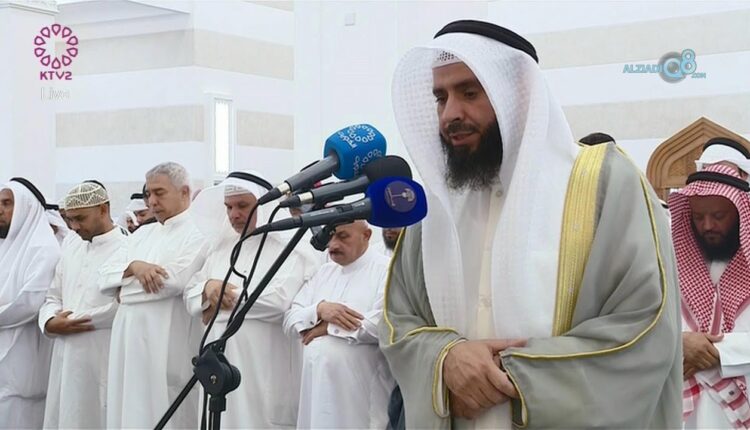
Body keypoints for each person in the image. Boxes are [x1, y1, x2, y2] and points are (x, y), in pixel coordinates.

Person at [380, 20, 682, 428]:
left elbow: (644, 325)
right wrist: (445, 359)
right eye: (441, 97)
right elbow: (398, 320)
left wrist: (515, 378)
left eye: (470, 93)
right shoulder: (433, 208)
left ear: (518, 93)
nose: (450, 114)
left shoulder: (603, 182)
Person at [186, 171, 310, 428]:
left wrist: (216, 301)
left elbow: (276, 301)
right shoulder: (222, 247)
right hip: (217, 360)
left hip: (260, 361)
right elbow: (190, 294)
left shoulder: (289, 247)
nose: (234, 214)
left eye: (242, 206)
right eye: (229, 207)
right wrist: (208, 287)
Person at [100, 162, 208, 429]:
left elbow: (172, 281)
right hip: (128, 340)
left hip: (167, 340)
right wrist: (135, 267)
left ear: (184, 192)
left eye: (159, 193)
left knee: (166, 409)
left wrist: (123, 287)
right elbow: (102, 277)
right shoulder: (143, 233)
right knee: (129, 407)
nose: (152, 201)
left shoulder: (200, 231)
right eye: (148, 194)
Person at [284, 221, 394, 429]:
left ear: (366, 235)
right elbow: (290, 320)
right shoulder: (324, 273)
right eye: (330, 236)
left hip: (359, 401)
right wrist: (319, 310)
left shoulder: (387, 270)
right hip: (315, 396)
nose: (333, 244)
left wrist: (329, 328)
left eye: (343, 236)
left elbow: (384, 324)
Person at [38, 181, 125, 429]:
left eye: (80, 219)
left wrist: (73, 321)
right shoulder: (71, 244)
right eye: (70, 219)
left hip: (101, 351)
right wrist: (49, 321)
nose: (74, 226)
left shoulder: (127, 246)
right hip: (64, 353)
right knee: (65, 414)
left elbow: (121, 306)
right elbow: (53, 295)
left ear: (103, 209)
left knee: (98, 415)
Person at [669, 164, 750, 428]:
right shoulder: (673, 266)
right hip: (685, 413)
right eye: (697, 217)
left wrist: (714, 351)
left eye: (718, 216)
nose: (707, 226)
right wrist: (679, 343)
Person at [0, 177, 61, 429]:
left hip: (25, 354)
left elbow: (29, 303)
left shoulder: (44, 248)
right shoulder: (5, 247)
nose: (0, 210)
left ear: (26, 207)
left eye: (7, 203)